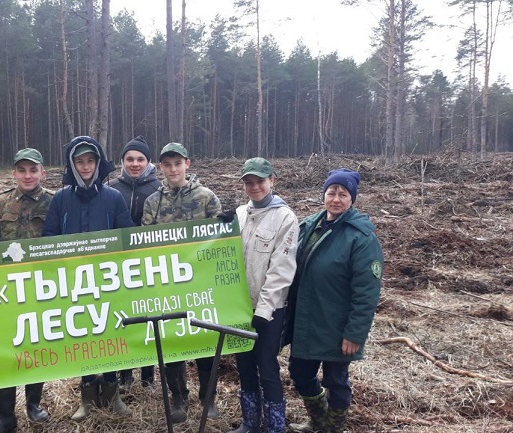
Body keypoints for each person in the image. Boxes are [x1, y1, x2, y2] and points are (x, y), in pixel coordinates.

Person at [285, 169, 384, 433]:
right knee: (300, 374)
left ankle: (334, 427)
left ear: (352, 199)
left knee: (336, 381)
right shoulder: (310, 226)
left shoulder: (361, 237)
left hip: (337, 326)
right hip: (306, 322)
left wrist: (354, 334)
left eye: (343, 194)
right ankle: (318, 421)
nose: (336, 199)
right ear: (324, 195)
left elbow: (367, 292)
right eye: (332, 193)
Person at [42, 135, 133, 421]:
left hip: (107, 281)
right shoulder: (60, 199)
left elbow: (127, 236)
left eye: (90, 161)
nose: (85, 166)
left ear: (98, 163)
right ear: (72, 165)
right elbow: (49, 237)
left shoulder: (113, 197)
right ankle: (87, 395)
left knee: (108, 334)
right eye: (79, 161)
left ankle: (111, 391)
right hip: (73, 283)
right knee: (81, 335)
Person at [141, 142, 223, 423]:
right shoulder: (153, 202)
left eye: (178, 163)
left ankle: (208, 398)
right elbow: (145, 244)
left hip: (201, 284)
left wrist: (226, 224)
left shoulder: (206, 197)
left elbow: (219, 240)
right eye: (167, 164)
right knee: (172, 343)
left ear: (188, 164)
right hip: (167, 286)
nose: (173, 169)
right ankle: (178, 397)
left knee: (205, 341)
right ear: (160, 168)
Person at [0, 148, 53, 433]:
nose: (27, 175)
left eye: (33, 170)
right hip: (7, 291)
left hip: (40, 288)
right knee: (5, 350)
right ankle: (5, 415)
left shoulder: (53, 201)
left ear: (42, 173)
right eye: (22, 170)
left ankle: (33, 403)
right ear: (14, 173)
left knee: (37, 347)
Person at [228, 158, 298, 433]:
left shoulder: (285, 218)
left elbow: (281, 271)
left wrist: (264, 311)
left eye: (260, 181)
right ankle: (249, 423)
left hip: (269, 310)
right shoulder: (240, 214)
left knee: (267, 368)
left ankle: (274, 426)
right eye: (249, 182)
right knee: (244, 365)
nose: (254, 187)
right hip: (240, 307)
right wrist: (221, 229)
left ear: (272, 181)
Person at [107, 135, 161, 388]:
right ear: (122, 162)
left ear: (148, 162)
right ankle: (124, 375)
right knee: (122, 319)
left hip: (148, 265)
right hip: (117, 266)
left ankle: (148, 376)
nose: (135, 164)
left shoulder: (158, 189)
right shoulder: (112, 189)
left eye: (140, 159)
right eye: (130, 159)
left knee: (148, 318)